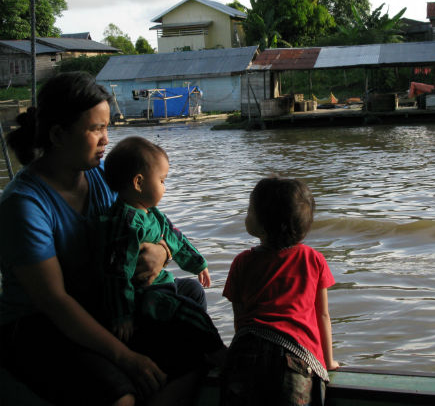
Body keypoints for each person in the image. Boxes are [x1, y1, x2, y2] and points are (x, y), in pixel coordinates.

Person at [0, 72, 198, 406]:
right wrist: (125, 357)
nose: (107, 139)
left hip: (100, 301)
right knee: (120, 395)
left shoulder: (100, 177)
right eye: (97, 129)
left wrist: (162, 253)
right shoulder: (24, 205)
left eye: (107, 127)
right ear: (59, 135)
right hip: (40, 325)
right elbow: (55, 301)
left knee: (189, 297)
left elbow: (152, 224)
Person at [99, 136, 226, 375]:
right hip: (142, 296)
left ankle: (192, 347)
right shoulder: (125, 223)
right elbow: (116, 274)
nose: (165, 187)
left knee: (194, 291)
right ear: (139, 183)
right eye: (162, 180)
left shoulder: (151, 213)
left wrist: (198, 263)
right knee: (193, 314)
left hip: (160, 287)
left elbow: (174, 236)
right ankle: (218, 355)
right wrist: (122, 315)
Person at [221, 176, 339, 406]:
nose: (246, 215)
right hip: (295, 357)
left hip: (246, 352)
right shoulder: (313, 259)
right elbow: (322, 315)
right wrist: (328, 360)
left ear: (263, 223)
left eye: (249, 210)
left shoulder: (242, 262)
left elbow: (240, 318)